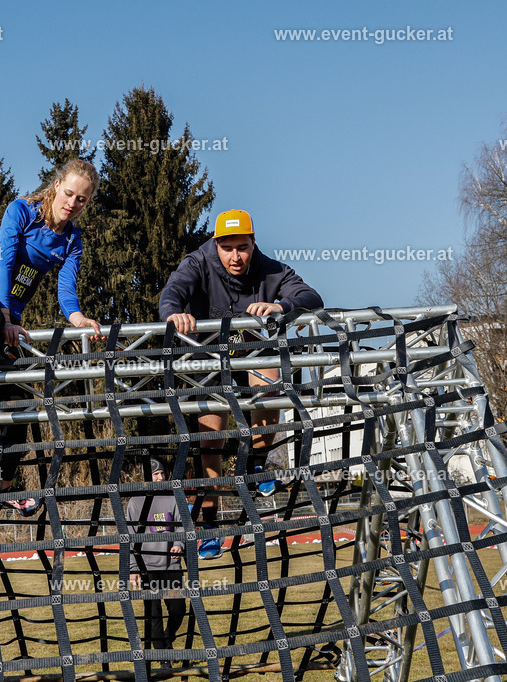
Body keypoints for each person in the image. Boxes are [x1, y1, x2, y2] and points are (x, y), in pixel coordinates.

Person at [0, 159, 103, 513]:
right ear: (56, 186)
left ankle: (1, 485)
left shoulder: (72, 240)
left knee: (18, 404)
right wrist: (6, 315)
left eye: (82, 200)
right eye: (69, 193)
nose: (72, 203)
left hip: (8, 318)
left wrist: (78, 319)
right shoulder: (22, 211)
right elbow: (6, 261)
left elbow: (66, 289)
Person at [159, 209, 323, 560]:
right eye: (228, 248)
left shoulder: (271, 269)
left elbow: (312, 297)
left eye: (243, 248)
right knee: (210, 443)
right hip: (209, 360)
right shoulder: (197, 262)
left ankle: (256, 460)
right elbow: (172, 292)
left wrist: (281, 304)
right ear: (216, 246)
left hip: (252, 357)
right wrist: (175, 313)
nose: (236, 257)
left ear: (253, 244)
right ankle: (209, 523)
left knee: (272, 373)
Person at [127, 458, 186, 665]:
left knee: (179, 610)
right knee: (153, 616)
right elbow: (130, 538)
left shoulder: (174, 497)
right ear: (146, 477)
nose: (161, 478)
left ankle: (168, 640)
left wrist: (179, 543)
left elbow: (181, 527)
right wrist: (133, 569)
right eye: (156, 474)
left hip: (172, 566)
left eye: (163, 473)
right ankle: (163, 656)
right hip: (147, 569)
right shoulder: (135, 502)